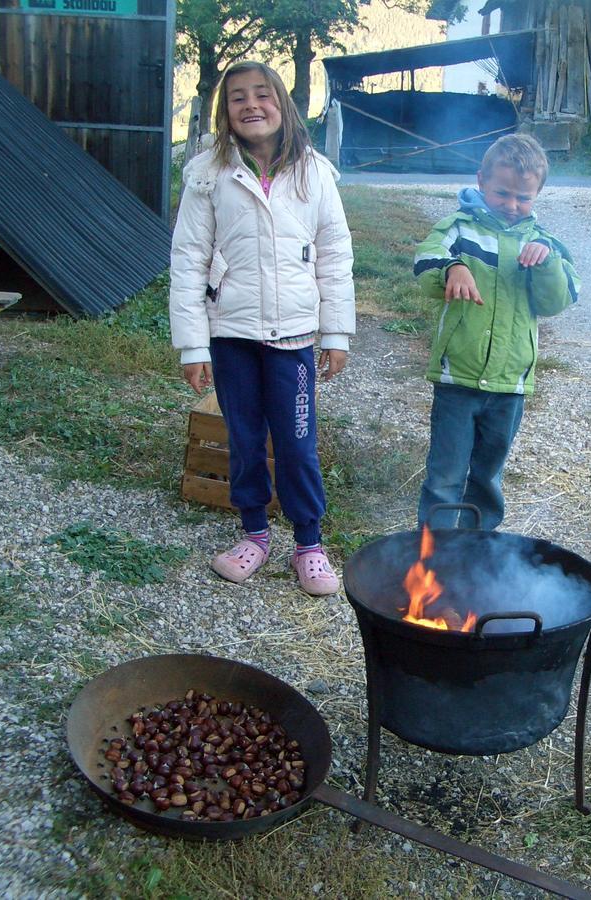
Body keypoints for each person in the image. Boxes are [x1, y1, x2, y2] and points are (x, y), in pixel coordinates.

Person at [169, 60, 354, 595]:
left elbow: (335, 254)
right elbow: (188, 258)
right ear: (224, 113)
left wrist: (336, 333)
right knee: (246, 439)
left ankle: (309, 544)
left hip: (293, 339)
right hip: (231, 336)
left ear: (283, 103)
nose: (251, 105)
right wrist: (192, 344)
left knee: (297, 443)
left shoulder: (315, 172)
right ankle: (253, 533)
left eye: (262, 94)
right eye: (237, 98)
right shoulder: (209, 173)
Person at [413, 133, 579, 530]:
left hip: (509, 385)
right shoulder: (459, 229)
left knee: (487, 476)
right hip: (458, 379)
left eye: (523, 198)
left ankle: (478, 556)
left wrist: (547, 265)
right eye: (502, 193)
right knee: (445, 475)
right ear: (482, 181)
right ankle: (433, 557)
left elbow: (558, 300)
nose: (511, 205)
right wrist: (452, 267)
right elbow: (425, 260)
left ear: (537, 195)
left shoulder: (544, 245)